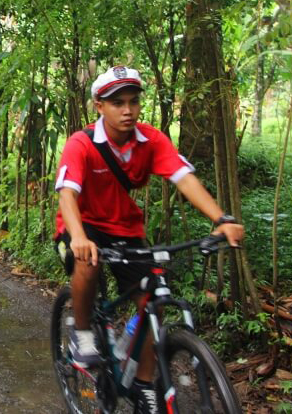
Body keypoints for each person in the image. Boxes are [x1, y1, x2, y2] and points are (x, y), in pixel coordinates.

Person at [54, 65, 244, 414]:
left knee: (152, 298)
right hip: (81, 226)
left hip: (126, 230)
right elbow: (67, 193)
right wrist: (79, 237)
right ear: (99, 106)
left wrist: (221, 219)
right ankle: (82, 334)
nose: (127, 110)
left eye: (133, 102)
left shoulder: (151, 140)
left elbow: (183, 178)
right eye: (117, 103)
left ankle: (144, 384)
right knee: (87, 260)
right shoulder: (81, 144)